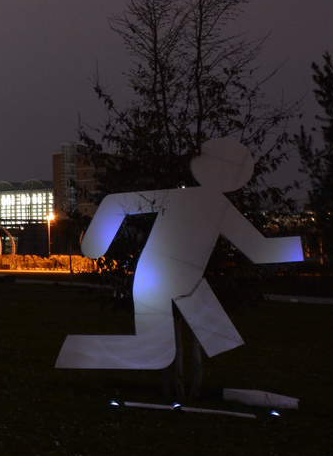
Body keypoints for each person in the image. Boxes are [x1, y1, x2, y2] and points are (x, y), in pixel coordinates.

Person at [57, 137, 302, 371]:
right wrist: (302, 245)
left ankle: (76, 352)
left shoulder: (191, 200)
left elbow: (117, 203)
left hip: (173, 279)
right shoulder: (215, 205)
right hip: (165, 280)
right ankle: (75, 351)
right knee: (161, 351)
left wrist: (95, 245)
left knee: (216, 340)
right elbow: (260, 250)